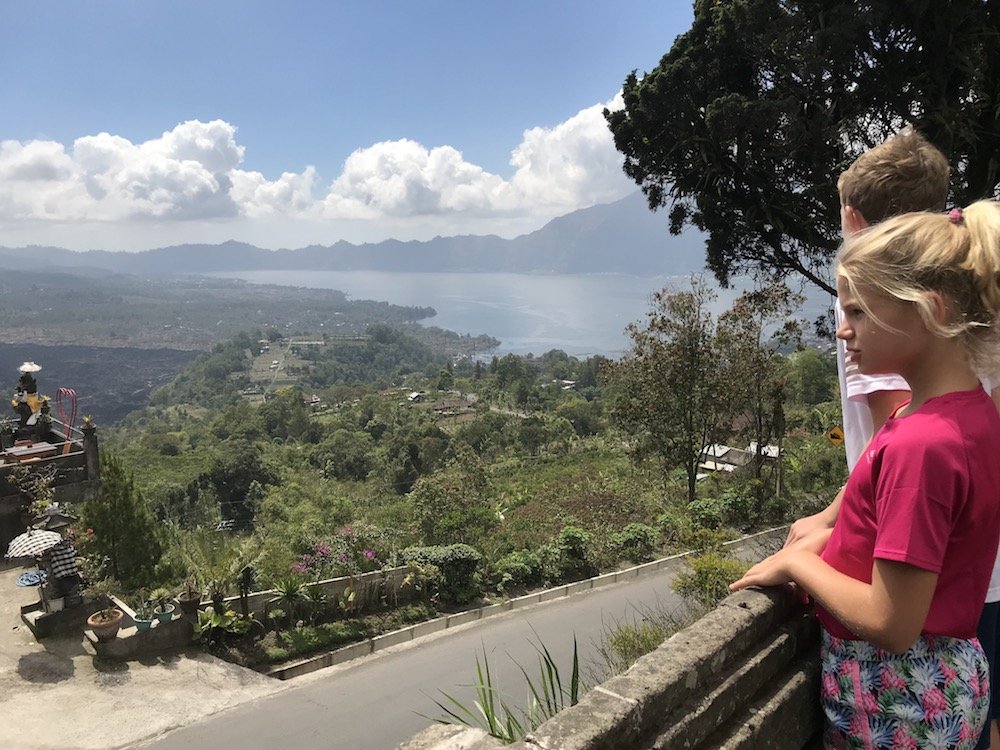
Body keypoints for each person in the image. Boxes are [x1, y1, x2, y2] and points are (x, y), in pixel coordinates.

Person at [732, 200, 1000, 748]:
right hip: (943, 685)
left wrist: (797, 564)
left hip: (900, 700)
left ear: (931, 311)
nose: (843, 332)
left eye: (857, 313)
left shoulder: (920, 444)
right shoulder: (969, 413)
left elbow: (892, 622)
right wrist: (835, 534)